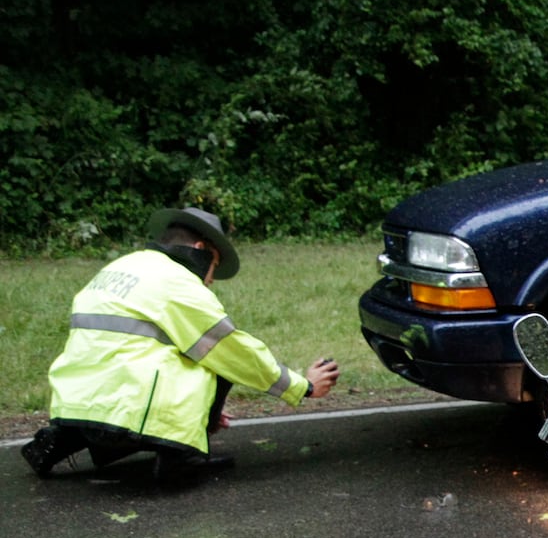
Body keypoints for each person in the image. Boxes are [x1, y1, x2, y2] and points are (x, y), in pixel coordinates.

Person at [21, 207, 340, 483]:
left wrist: (200, 407)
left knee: (135, 377)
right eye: (214, 266)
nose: (211, 279)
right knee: (216, 357)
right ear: (200, 250)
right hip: (127, 416)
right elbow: (235, 352)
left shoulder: (120, 268)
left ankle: (59, 440)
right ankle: (180, 460)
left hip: (77, 407)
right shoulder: (178, 283)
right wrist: (304, 387)